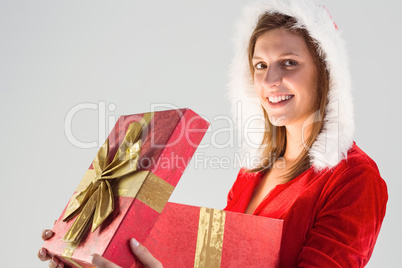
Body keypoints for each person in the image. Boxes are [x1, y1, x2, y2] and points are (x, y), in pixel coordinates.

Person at [38, 0, 388, 267]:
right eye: (261, 66)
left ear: (325, 72)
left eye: (289, 63)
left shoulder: (355, 179)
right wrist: (91, 247)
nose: (269, 81)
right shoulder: (252, 172)